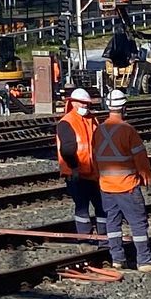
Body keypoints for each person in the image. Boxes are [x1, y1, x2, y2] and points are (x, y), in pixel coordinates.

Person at [93, 90, 151, 270]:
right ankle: (144, 261)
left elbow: (94, 157)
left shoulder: (99, 130)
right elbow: (141, 159)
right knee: (138, 223)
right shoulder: (128, 130)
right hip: (127, 186)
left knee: (112, 223)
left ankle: (117, 260)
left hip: (106, 186)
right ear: (124, 108)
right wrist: (147, 179)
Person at [52, 85, 101, 239]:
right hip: (76, 174)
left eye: (87, 103)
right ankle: (86, 238)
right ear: (73, 103)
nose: (85, 106)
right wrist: (74, 168)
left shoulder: (92, 120)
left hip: (93, 174)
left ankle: (104, 239)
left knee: (100, 208)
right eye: (81, 103)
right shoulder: (67, 122)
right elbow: (67, 150)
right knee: (82, 208)